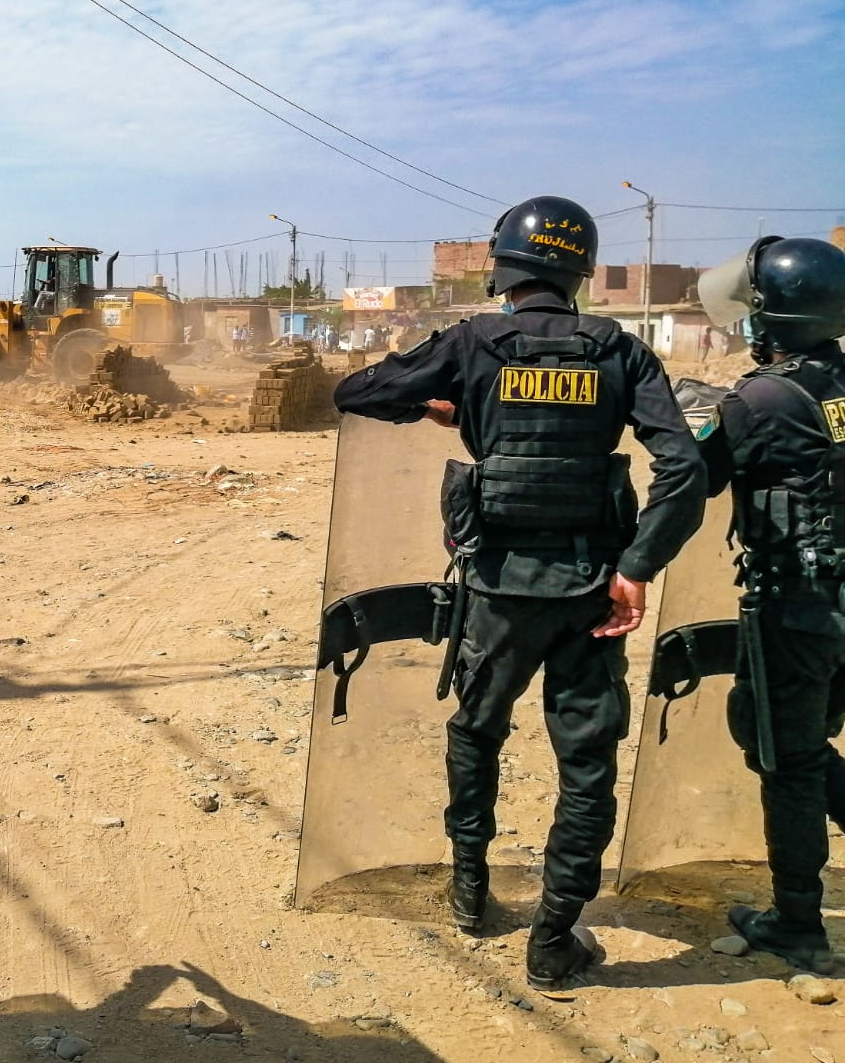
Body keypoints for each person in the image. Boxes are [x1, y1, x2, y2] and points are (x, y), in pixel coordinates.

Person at [333, 195, 707, 988]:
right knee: (587, 765)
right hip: (592, 595)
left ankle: (470, 893)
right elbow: (684, 468)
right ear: (578, 270)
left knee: (476, 732)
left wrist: (447, 403)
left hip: (498, 589)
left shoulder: (473, 342)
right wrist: (636, 568)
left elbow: (357, 391)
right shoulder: (620, 350)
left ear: (504, 268)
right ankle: (555, 939)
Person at [695, 235, 845, 974]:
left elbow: (694, 475)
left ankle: (796, 924)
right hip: (839, 604)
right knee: (802, 743)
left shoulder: (761, 397)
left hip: (797, 605)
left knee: (785, 756)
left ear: (772, 315)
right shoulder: (841, 387)